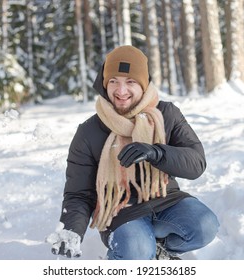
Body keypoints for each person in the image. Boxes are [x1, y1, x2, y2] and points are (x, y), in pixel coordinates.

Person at [47, 45, 219, 260]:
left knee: (205, 225)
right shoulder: (89, 132)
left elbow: (196, 164)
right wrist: (71, 229)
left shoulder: (166, 115)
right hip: (119, 211)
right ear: (104, 84)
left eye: (130, 82)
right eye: (113, 82)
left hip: (166, 199)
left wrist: (157, 153)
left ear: (144, 85)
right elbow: (78, 193)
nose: (121, 91)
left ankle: (160, 251)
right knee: (136, 250)